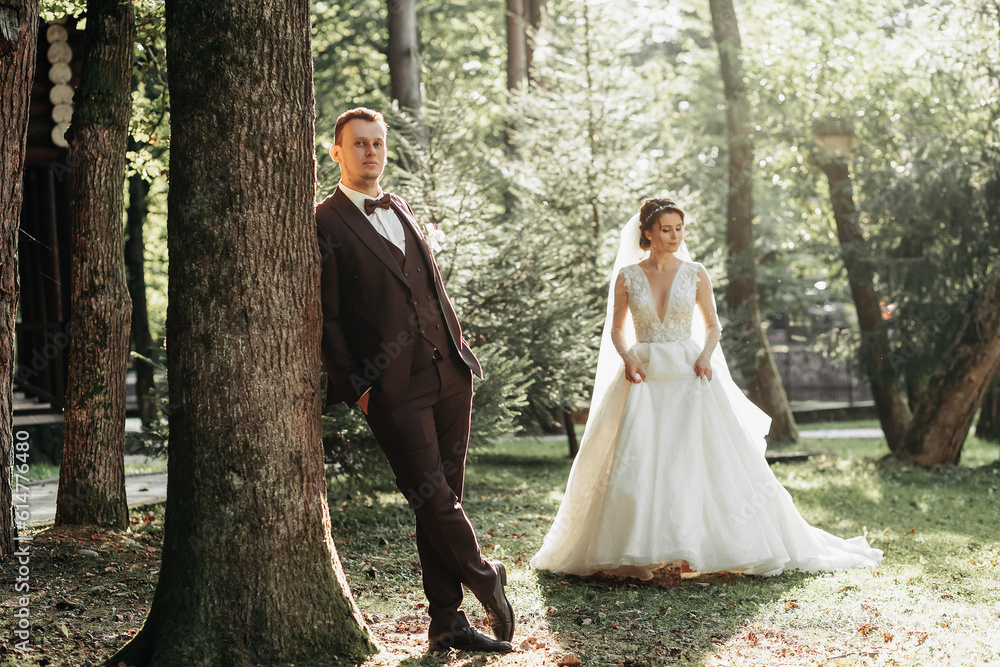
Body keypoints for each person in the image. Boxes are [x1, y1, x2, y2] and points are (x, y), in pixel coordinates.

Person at [530, 198, 883, 579]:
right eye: (666, 229)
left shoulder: (696, 273)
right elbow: (617, 329)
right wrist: (627, 358)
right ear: (648, 232)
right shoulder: (628, 276)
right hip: (643, 375)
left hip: (688, 372)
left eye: (679, 229)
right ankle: (637, 551)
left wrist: (705, 356)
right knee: (642, 454)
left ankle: (693, 546)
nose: (675, 236)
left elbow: (713, 326)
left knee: (693, 455)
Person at [316, 107, 514, 653]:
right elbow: (326, 317)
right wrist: (357, 386)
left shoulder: (399, 205)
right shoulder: (324, 220)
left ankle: (447, 622)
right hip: (391, 387)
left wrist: (460, 352)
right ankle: (483, 576)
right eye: (359, 144)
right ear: (336, 152)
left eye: (377, 143)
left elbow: (428, 285)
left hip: (449, 370)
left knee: (444, 495)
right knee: (429, 494)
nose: (371, 152)